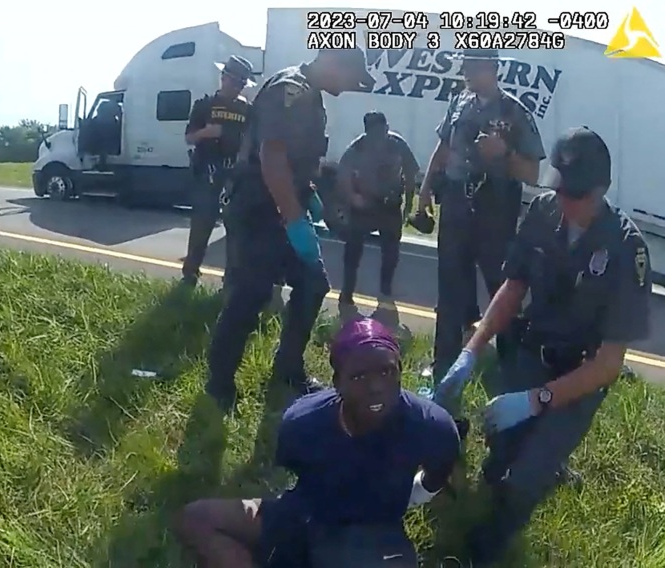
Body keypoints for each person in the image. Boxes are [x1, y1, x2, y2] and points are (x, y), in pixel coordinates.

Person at [432, 127, 652, 565]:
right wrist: (471, 350)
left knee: (526, 478)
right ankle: (522, 463)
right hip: (535, 350)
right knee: (500, 453)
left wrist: (537, 400)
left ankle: (486, 547)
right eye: (562, 190)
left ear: (602, 189)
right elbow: (514, 286)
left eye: (578, 195)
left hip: (580, 373)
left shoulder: (627, 250)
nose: (567, 202)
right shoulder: (544, 212)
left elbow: (608, 364)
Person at [175, 317, 462, 567]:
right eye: (359, 376)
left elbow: (437, 473)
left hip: (374, 534)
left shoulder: (431, 426)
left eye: (387, 372)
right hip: (304, 516)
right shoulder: (303, 421)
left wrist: (415, 494)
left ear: (400, 369)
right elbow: (293, 469)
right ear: (337, 382)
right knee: (198, 518)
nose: (376, 387)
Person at [205, 47, 377, 410]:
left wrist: (309, 197)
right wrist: (295, 219)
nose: (349, 88)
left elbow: (298, 161)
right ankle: (219, 385)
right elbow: (272, 158)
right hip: (258, 209)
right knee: (249, 296)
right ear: (332, 64)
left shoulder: (311, 96)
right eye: (349, 79)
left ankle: (288, 368)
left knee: (313, 285)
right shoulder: (291, 89)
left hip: (285, 204)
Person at [417, 48, 546, 387]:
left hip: (496, 209)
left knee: (500, 287)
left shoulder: (515, 112)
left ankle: (511, 366)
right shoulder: (460, 101)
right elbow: (444, 147)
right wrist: (425, 188)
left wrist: (505, 153)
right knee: (450, 288)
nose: (464, 70)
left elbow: (533, 172)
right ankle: (443, 366)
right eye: (464, 63)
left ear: (491, 68)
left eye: (471, 64)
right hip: (457, 204)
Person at [181, 55, 256, 290]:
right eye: (234, 82)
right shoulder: (204, 105)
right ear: (223, 78)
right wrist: (206, 133)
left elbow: (254, 140)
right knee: (202, 225)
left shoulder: (247, 110)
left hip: (236, 175)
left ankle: (231, 280)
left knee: (236, 230)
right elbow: (188, 137)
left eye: (241, 84)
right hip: (208, 173)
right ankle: (190, 274)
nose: (237, 87)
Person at [334, 111, 420, 304]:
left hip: (389, 206)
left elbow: (411, 174)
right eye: (375, 133)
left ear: (387, 128)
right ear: (367, 132)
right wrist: (352, 198)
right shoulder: (358, 147)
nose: (379, 137)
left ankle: (386, 291)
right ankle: (347, 292)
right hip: (365, 205)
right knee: (353, 251)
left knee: (391, 252)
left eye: (383, 131)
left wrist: (408, 204)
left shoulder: (397, 145)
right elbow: (343, 175)